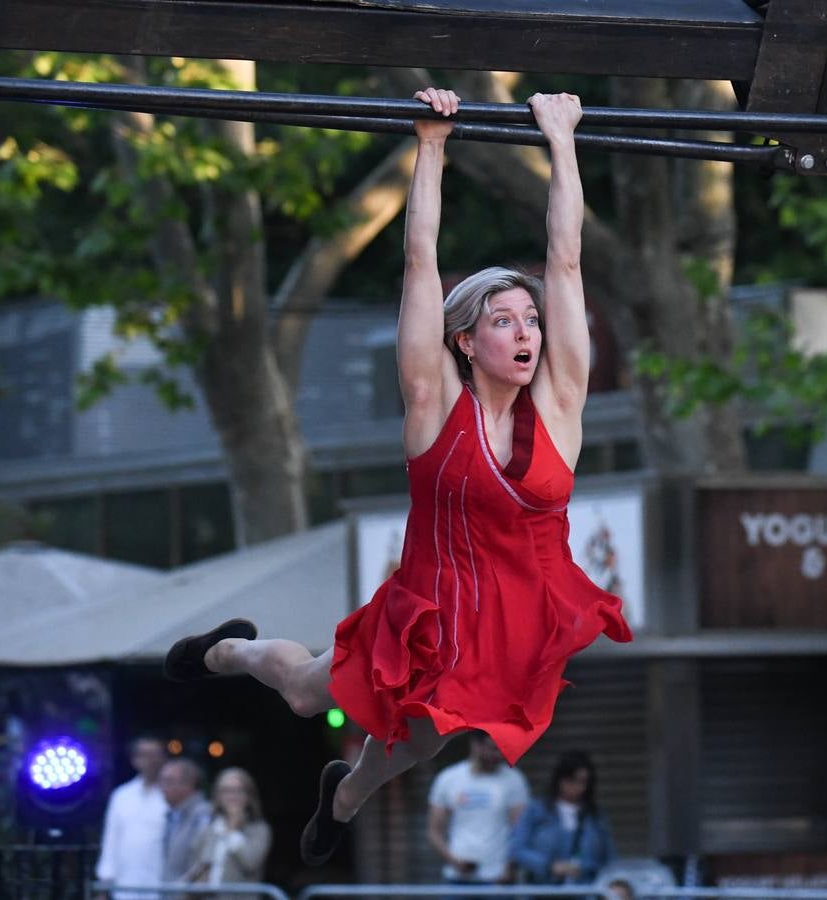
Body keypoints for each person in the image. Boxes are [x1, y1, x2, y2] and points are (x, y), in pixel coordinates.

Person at [159, 84, 632, 866]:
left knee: (415, 747)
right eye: (502, 321)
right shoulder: (430, 403)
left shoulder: (561, 402)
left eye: (530, 319)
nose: (525, 332)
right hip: (429, 603)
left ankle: (344, 792)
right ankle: (229, 653)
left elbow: (568, 260)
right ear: (464, 343)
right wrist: (431, 146)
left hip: (514, 618)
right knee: (312, 693)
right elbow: (419, 260)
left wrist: (561, 139)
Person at [427, 731, 530, 887]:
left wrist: (510, 867)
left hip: (497, 879)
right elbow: (434, 830)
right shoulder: (448, 778)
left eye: (501, 749)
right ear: (476, 745)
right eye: (493, 748)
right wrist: (453, 860)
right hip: (456, 879)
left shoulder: (514, 780)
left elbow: (520, 830)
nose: (498, 755)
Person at [510, 751, 614, 884]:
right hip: (544, 890)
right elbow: (518, 850)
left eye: (584, 782)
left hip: (586, 890)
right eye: (573, 781)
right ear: (560, 780)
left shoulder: (596, 817)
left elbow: (609, 859)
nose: (579, 788)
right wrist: (549, 865)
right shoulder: (536, 811)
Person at [95, 736, 169, 899]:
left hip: (161, 888)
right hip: (124, 886)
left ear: (163, 758)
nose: (150, 760)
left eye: (154, 754)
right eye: (144, 755)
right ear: (135, 760)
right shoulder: (121, 795)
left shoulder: (171, 796)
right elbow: (111, 841)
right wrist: (104, 884)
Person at [184, 767, 272, 891]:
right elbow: (194, 868)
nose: (232, 796)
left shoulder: (259, 829)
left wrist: (232, 828)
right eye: (226, 790)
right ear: (217, 795)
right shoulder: (209, 829)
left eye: (238, 790)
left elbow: (250, 863)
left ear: (248, 795)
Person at [158, 759, 214, 886]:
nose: (161, 787)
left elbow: (203, 861)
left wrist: (181, 889)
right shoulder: (173, 814)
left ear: (188, 784)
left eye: (168, 781)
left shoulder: (204, 814)